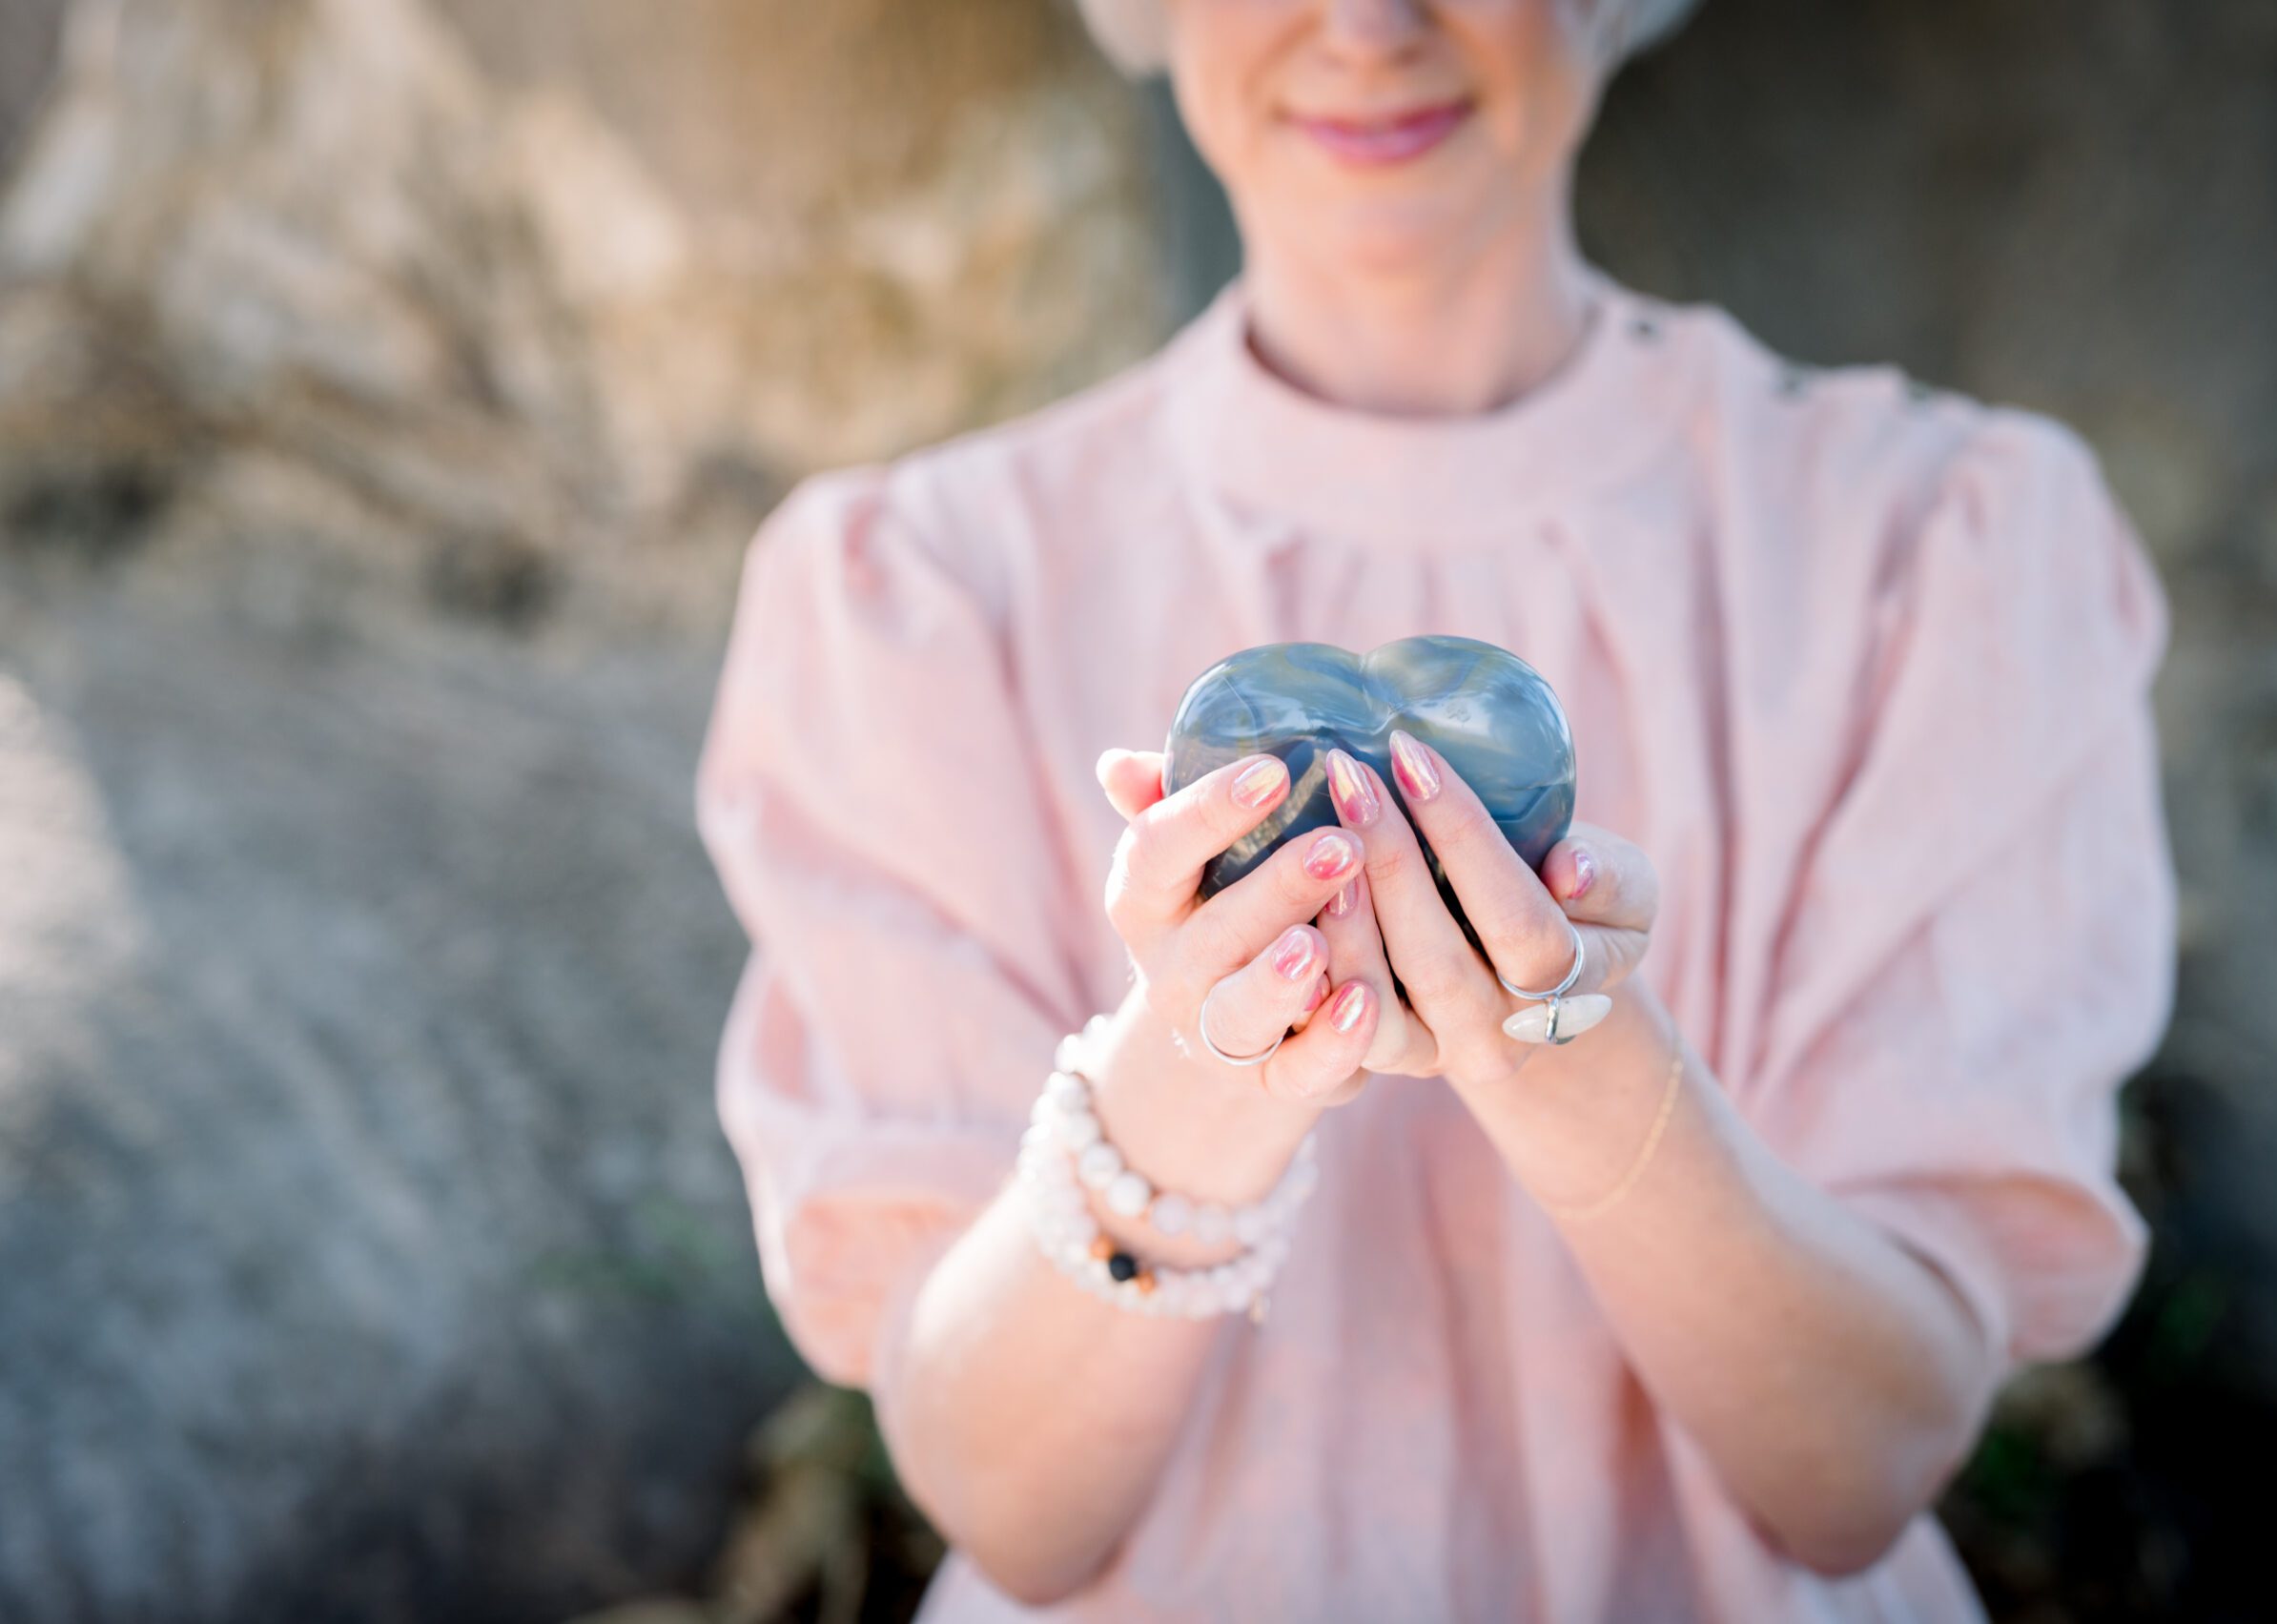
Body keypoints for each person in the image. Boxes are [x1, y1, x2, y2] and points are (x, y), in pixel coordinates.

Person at [694, 0, 2179, 1617]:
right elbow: (1009, 1501)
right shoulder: (912, 598)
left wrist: (1573, 1057)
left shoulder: (1939, 555)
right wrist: (1198, 1076)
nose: (1367, 26)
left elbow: (1856, 1473)